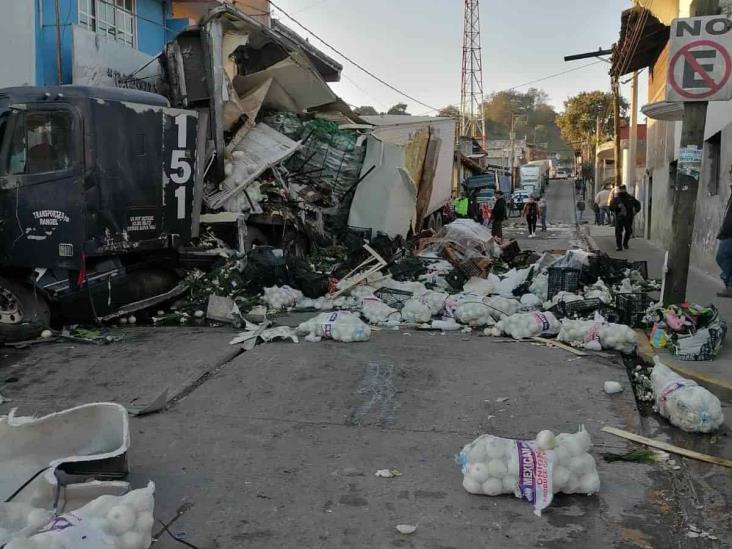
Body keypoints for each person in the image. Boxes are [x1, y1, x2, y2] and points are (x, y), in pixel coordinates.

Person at [716, 166, 732, 297]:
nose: (730, 176)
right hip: (727, 231)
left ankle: (728, 282)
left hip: (730, 232)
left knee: (723, 256)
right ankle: (729, 285)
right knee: (723, 257)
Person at [609, 185, 641, 251]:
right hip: (619, 217)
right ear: (619, 190)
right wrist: (617, 207)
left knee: (628, 231)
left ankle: (625, 243)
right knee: (618, 232)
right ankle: (619, 246)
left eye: (623, 189)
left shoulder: (630, 198)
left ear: (625, 189)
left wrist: (636, 211)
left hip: (628, 217)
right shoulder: (616, 199)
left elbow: (638, 204)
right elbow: (611, 207)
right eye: (620, 189)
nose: (622, 190)